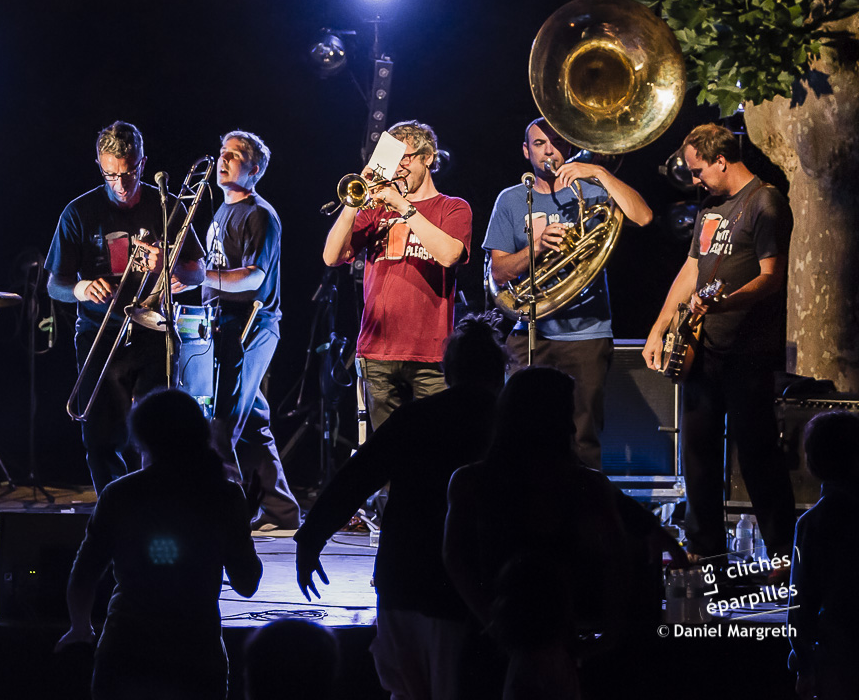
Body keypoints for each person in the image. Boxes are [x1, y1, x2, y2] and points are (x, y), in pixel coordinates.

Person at [295, 313, 507, 700]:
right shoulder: (507, 425)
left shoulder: (413, 418)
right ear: (500, 373)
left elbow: (356, 477)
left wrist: (311, 539)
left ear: (448, 370)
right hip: (461, 595)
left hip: (402, 585)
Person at [642, 123, 796, 567]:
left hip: (748, 352)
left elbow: (771, 277)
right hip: (703, 349)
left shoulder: (765, 202)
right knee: (698, 456)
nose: (695, 180)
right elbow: (692, 268)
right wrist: (659, 327)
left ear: (721, 160)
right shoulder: (711, 207)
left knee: (758, 456)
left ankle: (782, 555)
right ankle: (704, 552)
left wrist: (727, 302)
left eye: (698, 170)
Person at [55, 389, 262, 700]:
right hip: (197, 658)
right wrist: (242, 525)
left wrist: (80, 627)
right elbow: (247, 584)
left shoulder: (119, 494)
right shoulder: (225, 496)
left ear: (140, 438)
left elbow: (84, 575)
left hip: (126, 653)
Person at [444, 367, 630, 700]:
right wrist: (610, 633)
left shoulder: (470, 481)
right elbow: (617, 559)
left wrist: (491, 622)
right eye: (566, 415)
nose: (572, 427)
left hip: (488, 643)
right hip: (559, 641)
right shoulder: (586, 486)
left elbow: (453, 558)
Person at [483, 117, 653, 470]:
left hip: (587, 333)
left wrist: (600, 173)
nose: (550, 151)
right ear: (526, 151)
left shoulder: (593, 191)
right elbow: (498, 272)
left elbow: (644, 217)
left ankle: (582, 503)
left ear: (570, 147)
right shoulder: (511, 200)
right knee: (519, 433)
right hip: (530, 333)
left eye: (557, 143)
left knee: (582, 436)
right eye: (540, 143)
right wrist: (536, 247)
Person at [46, 121, 205, 494]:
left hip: (155, 331)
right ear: (99, 166)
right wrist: (83, 287)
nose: (120, 184)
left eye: (129, 173)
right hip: (100, 332)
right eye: (110, 174)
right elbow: (55, 284)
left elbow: (197, 272)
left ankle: (158, 505)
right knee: (101, 437)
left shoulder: (166, 205)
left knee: (160, 434)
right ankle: (114, 507)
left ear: (142, 163)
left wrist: (167, 265)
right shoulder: (78, 211)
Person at [321, 120, 472, 430]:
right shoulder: (376, 210)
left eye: (405, 158)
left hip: (431, 355)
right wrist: (352, 204)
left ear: (427, 158)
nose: (398, 168)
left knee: (435, 449)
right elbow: (332, 257)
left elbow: (449, 255)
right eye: (392, 160)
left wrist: (402, 205)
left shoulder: (453, 208)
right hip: (377, 353)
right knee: (387, 452)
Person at [203, 130, 299, 530]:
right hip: (224, 325)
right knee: (253, 424)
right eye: (222, 152)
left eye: (235, 155)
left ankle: (224, 518)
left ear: (255, 169)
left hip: (251, 326)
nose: (223, 159)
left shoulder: (259, 214)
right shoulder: (220, 212)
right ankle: (282, 512)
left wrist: (198, 275)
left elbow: (254, 277)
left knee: (223, 422)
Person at [788, 411, 859, 700]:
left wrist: (803, 665)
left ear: (813, 462)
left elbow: (800, 604)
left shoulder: (812, 522)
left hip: (838, 659)